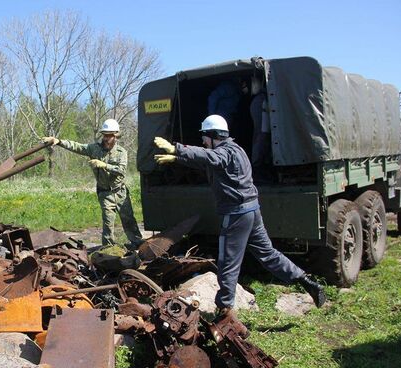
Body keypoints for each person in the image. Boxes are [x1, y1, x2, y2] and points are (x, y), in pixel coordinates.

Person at [152, 114, 325, 321]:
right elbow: (210, 162)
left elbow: (212, 158)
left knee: (228, 262)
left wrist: (177, 148)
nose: (203, 142)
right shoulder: (236, 150)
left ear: (214, 136)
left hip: (236, 214)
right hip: (252, 211)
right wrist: (178, 159)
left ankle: (224, 311)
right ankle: (307, 281)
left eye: (205, 137)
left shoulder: (224, 153)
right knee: (268, 254)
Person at [42, 119, 143, 249]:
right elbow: (76, 146)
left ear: (116, 136)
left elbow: (121, 171)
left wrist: (104, 165)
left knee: (128, 219)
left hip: (120, 191)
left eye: (110, 135)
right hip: (105, 192)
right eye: (105, 135)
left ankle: (138, 245)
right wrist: (59, 141)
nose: (106, 138)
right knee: (108, 223)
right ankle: (108, 250)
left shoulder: (121, 152)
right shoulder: (94, 149)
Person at [249, 76, 273, 182]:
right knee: (261, 138)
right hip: (262, 129)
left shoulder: (261, 99)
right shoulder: (261, 100)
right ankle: (258, 166)